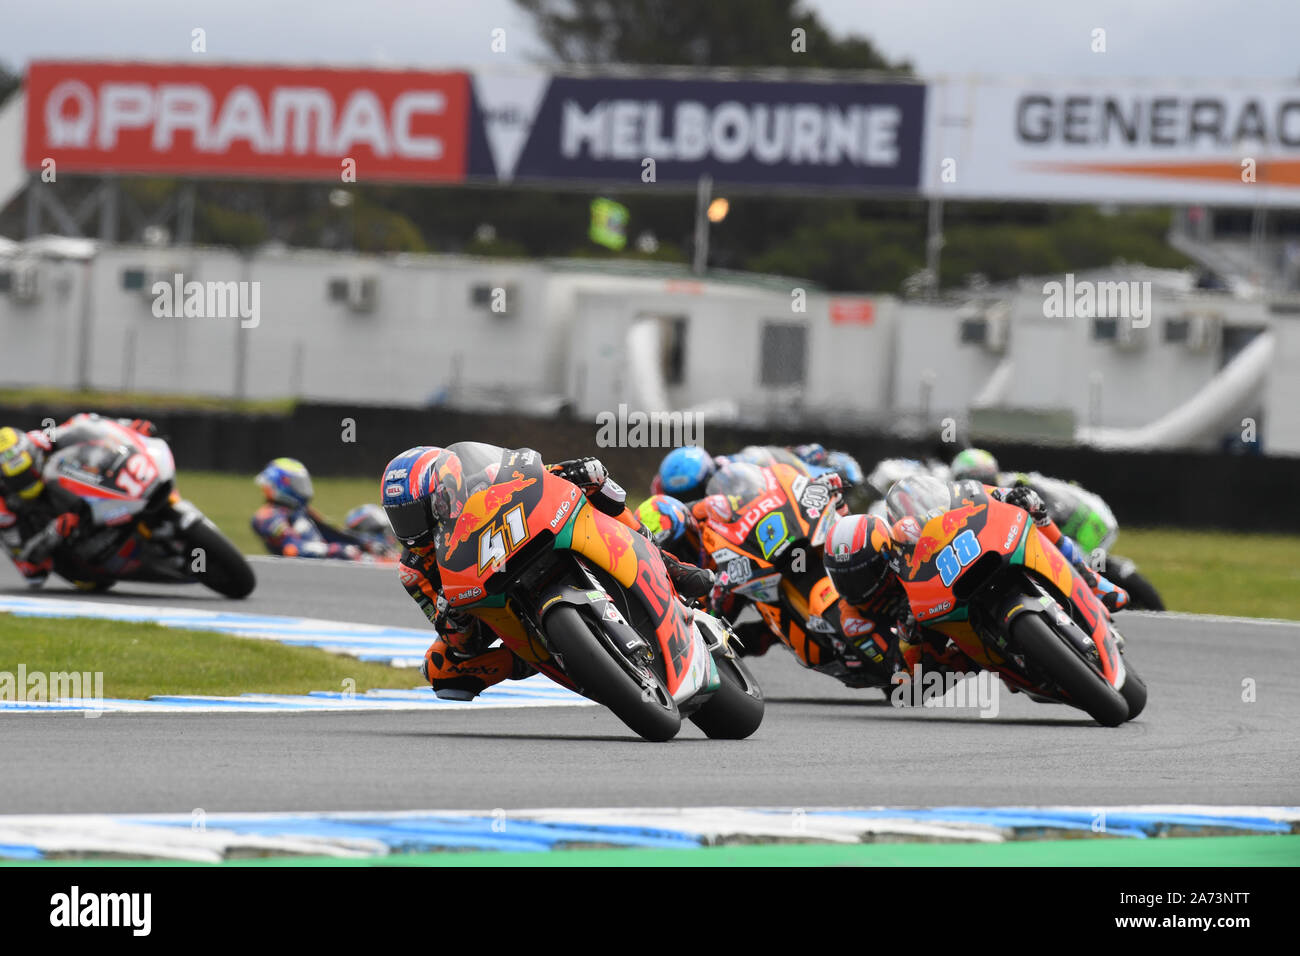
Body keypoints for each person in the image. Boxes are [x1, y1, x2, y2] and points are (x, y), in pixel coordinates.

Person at [383, 447, 715, 701]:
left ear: (445, 491)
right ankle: (537, 657)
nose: (411, 531)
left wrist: (571, 471)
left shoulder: (481, 476)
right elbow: (461, 641)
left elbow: (534, 474)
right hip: (488, 602)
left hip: (531, 540)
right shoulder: (414, 570)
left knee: (597, 485)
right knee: (439, 669)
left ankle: (667, 562)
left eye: (417, 513)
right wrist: (449, 616)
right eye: (402, 518)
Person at [0, 415, 158, 587]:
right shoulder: (3, 510)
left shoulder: (41, 440)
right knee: (88, 581)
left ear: (32, 453)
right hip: (50, 535)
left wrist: (129, 428)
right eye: (18, 479)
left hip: (73, 494)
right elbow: (24, 558)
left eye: (29, 470)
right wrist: (53, 533)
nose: (29, 479)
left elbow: (85, 424)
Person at [251, 458, 374, 560]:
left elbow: (330, 532)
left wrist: (365, 544)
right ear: (279, 485)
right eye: (298, 483)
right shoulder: (267, 515)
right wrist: (335, 550)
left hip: (324, 563)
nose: (303, 488)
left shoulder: (301, 511)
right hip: (298, 572)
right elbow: (291, 548)